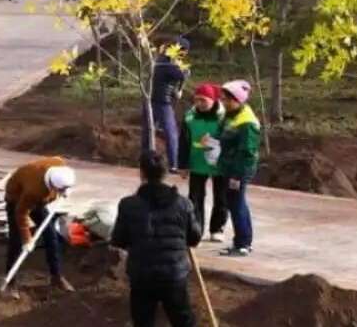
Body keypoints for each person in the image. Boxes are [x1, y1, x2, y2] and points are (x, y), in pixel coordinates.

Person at [111, 151, 202, 327]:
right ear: (166, 173)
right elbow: (194, 238)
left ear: (142, 173)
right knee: (183, 320)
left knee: (143, 322)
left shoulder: (128, 205)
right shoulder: (183, 204)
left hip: (142, 275)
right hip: (174, 273)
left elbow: (118, 240)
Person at [3, 156, 76, 292]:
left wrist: (66, 190)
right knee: (16, 240)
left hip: (37, 198)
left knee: (51, 236)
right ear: (52, 185)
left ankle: (56, 277)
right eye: (60, 189)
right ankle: (10, 282)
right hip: (17, 198)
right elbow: (21, 213)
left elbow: (60, 168)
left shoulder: (59, 165)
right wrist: (27, 239)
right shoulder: (35, 191)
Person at [178, 83, 228, 243]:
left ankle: (217, 228)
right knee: (195, 198)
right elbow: (183, 142)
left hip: (220, 163)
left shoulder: (225, 117)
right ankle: (196, 230)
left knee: (221, 197)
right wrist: (183, 165)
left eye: (203, 100)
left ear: (213, 100)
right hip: (197, 162)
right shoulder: (189, 117)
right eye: (196, 100)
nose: (199, 104)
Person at [217, 80, 260, 257]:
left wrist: (236, 175)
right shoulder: (229, 115)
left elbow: (247, 152)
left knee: (237, 203)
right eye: (223, 99)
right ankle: (240, 240)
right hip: (228, 165)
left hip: (239, 169)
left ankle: (243, 243)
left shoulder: (247, 123)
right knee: (234, 203)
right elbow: (220, 133)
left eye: (227, 99)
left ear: (238, 100)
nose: (224, 103)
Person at [145, 38, 189, 173]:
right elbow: (182, 74)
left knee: (148, 132)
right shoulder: (169, 64)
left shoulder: (159, 60)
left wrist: (177, 89)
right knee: (171, 133)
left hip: (149, 100)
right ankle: (173, 164)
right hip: (162, 102)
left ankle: (145, 160)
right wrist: (180, 88)